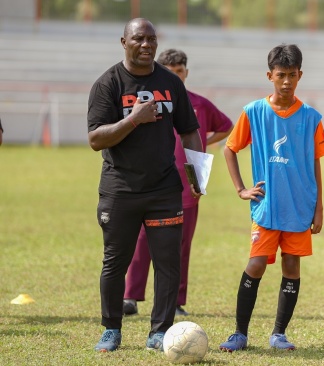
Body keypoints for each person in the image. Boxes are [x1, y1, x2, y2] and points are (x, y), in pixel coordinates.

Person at [87, 18, 203, 352]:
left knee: (168, 261)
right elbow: (96, 138)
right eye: (138, 39)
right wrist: (133, 119)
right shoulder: (108, 84)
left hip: (164, 189)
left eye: (151, 39)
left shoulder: (170, 83)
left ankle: (160, 331)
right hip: (119, 188)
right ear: (124, 41)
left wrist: (196, 174)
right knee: (115, 262)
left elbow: (190, 129)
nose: (146, 44)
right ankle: (111, 329)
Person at [218, 44, 324, 352]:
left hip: (300, 206)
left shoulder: (311, 117)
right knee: (255, 264)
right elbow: (229, 148)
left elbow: (316, 162)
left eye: (292, 75)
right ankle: (239, 333)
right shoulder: (253, 112)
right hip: (266, 206)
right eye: (280, 75)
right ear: (270, 75)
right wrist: (241, 188)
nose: (286, 82)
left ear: (300, 75)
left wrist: (319, 208)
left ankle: (279, 334)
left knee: (291, 266)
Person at [123, 49, 234, 317]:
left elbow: (227, 125)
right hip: (150, 179)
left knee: (181, 244)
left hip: (187, 183)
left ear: (186, 73)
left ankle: (175, 301)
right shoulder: (148, 103)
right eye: (169, 72)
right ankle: (131, 297)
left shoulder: (200, 104)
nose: (176, 76)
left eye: (180, 71)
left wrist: (202, 146)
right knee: (142, 240)